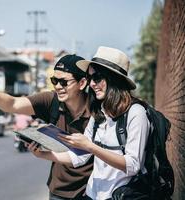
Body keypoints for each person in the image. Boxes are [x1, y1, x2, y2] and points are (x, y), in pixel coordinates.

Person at [0, 54, 93, 200]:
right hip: (59, 191)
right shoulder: (51, 101)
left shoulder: (98, 110)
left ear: (82, 83)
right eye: (54, 81)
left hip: (92, 191)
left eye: (63, 82)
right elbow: (13, 104)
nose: (58, 86)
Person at [28, 46, 150, 199]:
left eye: (97, 78)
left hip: (119, 196)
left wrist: (91, 147)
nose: (92, 84)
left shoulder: (136, 113)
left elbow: (132, 166)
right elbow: (80, 156)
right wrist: (43, 154)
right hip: (92, 195)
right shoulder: (100, 112)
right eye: (91, 78)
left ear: (114, 79)